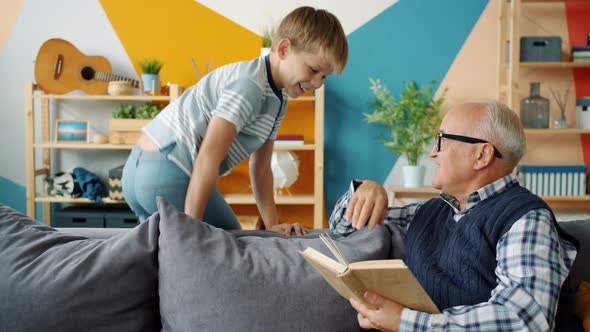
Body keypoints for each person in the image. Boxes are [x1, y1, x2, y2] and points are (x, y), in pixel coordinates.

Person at [328, 100, 580, 331]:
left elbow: (525, 320)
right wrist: (365, 192)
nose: (432, 153)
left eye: (441, 139)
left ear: (481, 155)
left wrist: (405, 322)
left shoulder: (527, 219)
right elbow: (343, 229)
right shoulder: (427, 212)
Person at [122, 6, 348, 235]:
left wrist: (272, 227)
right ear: (283, 49)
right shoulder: (250, 84)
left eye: (323, 77)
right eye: (313, 70)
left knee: (161, 254)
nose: (317, 83)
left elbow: (261, 170)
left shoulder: (278, 100)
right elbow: (208, 157)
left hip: (138, 169)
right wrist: (191, 234)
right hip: (167, 168)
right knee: (229, 242)